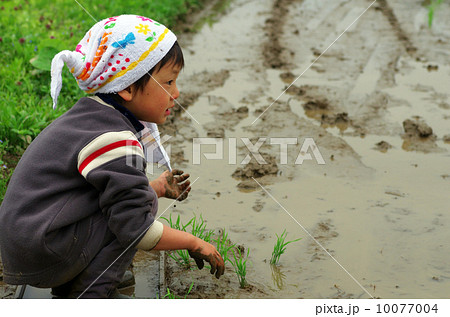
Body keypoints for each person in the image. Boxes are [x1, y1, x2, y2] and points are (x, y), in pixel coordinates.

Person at [0, 14, 224, 299]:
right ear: (128, 87)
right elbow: (136, 228)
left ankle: (79, 281)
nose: (176, 94)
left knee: (132, 203)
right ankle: (92, 295)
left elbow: (100, 192)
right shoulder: (114, 138)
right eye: (168, 82)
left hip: (32, 240)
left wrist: (155, 188)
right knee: (134, 217)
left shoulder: (92, 116)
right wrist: (193, 242)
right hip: (44, 250)